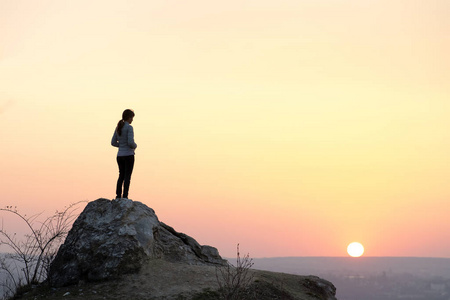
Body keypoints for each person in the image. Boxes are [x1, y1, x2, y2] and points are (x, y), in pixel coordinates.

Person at [111, 109, 137, 199]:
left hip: (119, 155)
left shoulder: (118, 127)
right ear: (129, 117)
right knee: (127, 176)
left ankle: (118, 196)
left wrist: (121, 145)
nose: (132, 120)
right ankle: (125, 196)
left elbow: (113, 142)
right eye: (132, 118)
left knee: (121, 175)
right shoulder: (129, 128)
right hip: (128, 155)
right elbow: (130, 142)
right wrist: (135, 146)